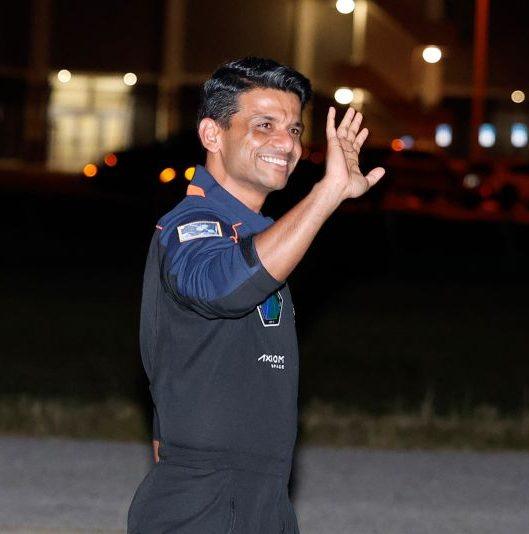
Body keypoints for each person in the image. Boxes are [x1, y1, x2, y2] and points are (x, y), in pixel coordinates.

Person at [127, 57, 385, 533]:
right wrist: (326, 194)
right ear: (212, 134)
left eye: (294, 128)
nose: (286, 143)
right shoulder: (191, 224)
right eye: (264, 125)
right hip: (208, 500)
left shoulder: (260, 234)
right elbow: (223, 288)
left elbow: (180, 352)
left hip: (261, 495)